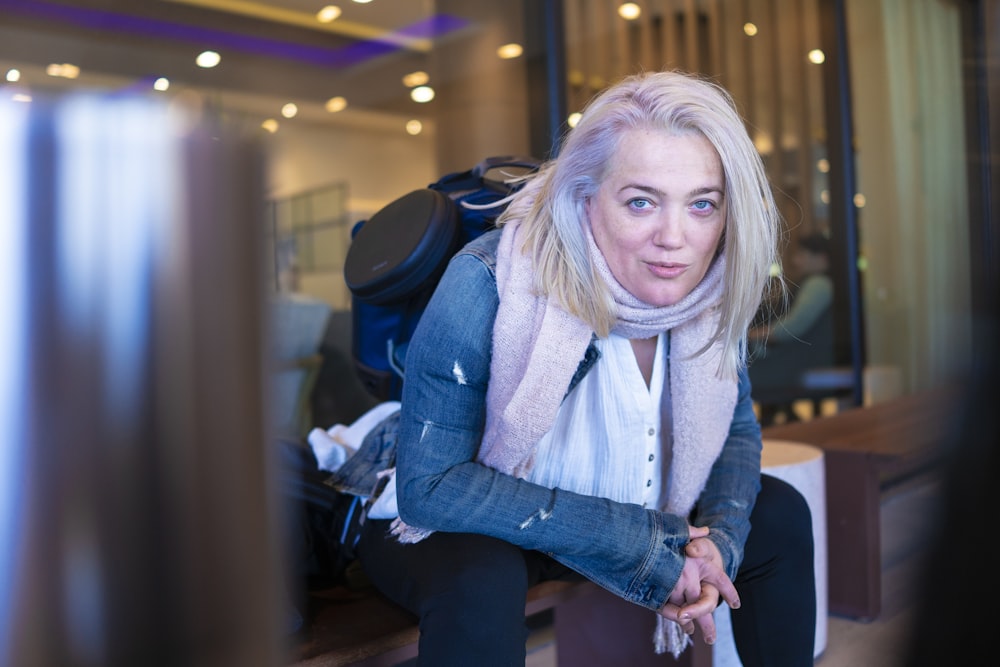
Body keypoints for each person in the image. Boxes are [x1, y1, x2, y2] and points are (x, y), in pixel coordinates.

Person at [339, 70, 816, 666]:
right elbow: (430, 489)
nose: (675, 238)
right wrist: (637, 543)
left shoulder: (710, 291)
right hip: (480, 513)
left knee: (778, 511)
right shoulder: (489, 280)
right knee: (478, 574)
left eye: (701, 205)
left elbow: (737, 435)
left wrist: (715, 542)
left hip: (630, 498)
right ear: (584, 196)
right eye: (641, 201)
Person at [747, 232, 835, 424]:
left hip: (804, 361)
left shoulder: (819, 285)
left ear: (821, 259)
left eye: (802, 255)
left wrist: (751, 336)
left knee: (741, 377)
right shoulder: (818, 284)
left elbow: (792, 328)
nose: (796, 261)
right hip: (801, 358)